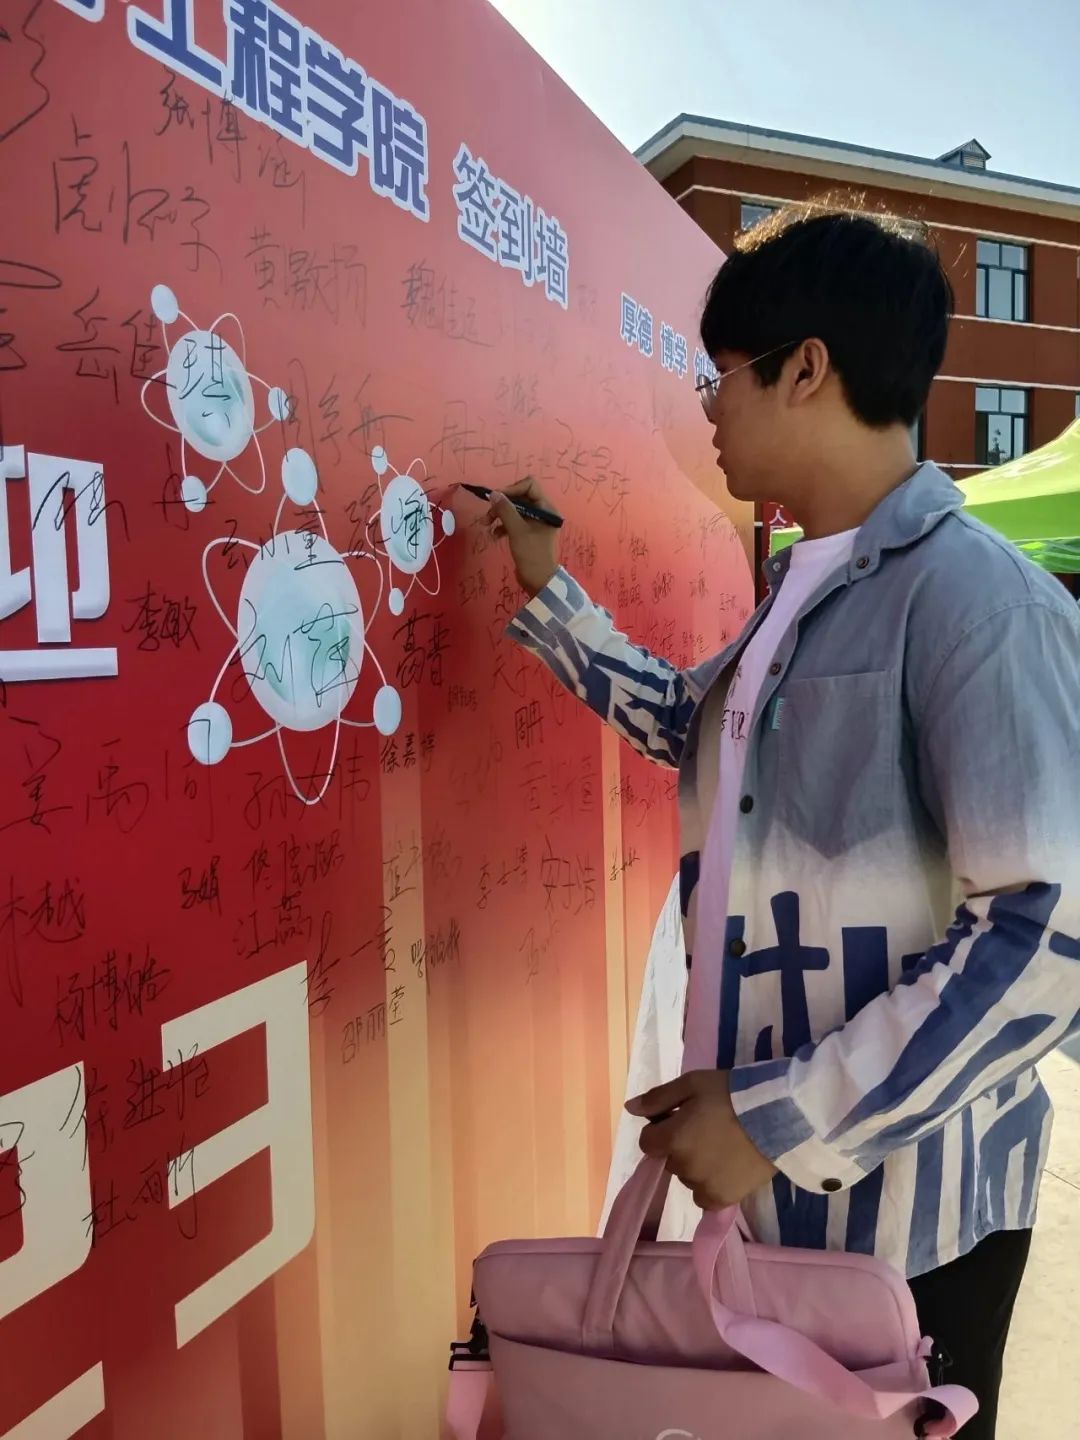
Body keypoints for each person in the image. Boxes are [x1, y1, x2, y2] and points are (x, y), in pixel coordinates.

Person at [487, 202, 1080, 1439]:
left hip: (913, 1230)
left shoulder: (979, 605)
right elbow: (692, 724)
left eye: (723, 378)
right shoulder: (799, 594)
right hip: (772, 1213)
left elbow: (1046, 938)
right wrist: (551, 596)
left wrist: (777, 1117)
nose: (708, 413)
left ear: (805, 368)